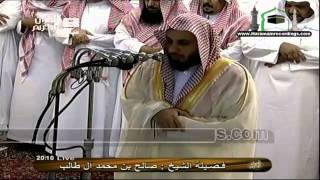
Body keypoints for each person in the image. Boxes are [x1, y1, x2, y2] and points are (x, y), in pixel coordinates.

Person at [115, 13, 258, 179]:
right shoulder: (150, 67)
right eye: (169, 41)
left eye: (183, 43)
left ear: (202, 44)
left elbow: (236, 128)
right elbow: (130, 101)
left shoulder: (233, 77)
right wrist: (156, 112)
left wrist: (178, 124)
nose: (172, 49)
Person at [240, 0, 319, 178]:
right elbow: (248, 43)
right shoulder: (266, 11)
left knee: (301, 146)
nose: (293, 11)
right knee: (263, 141)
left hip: (305, 93)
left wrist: (284, 54)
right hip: (266, 90)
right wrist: (279, 48)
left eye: (300, 6)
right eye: (289, 5)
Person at [46, 0, 133, 158]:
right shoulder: (74, 5)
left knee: (98, 106)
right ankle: (66, 150)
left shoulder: (122, 9)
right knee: (71, 105)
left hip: (104, 67)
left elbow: (123, 38)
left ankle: (95, 154)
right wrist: (72, 34)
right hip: (75, 63)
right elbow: (58, 30)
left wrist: (90, 38)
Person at [7, 0, 70, 145]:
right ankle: (20, 136)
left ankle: (43, 139)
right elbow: (19, 26)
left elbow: (68, 29)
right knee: (25, 93)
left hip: (54, 53)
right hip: (29, 57)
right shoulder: (29, 3)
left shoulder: (67, 5)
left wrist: (41, 26)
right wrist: (24, 23)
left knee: (47, 92)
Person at [0, 0, 21, 139]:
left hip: (5, 46)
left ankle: (2, 127)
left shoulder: (14, 1)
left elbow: (9, 22)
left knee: (5, 85)